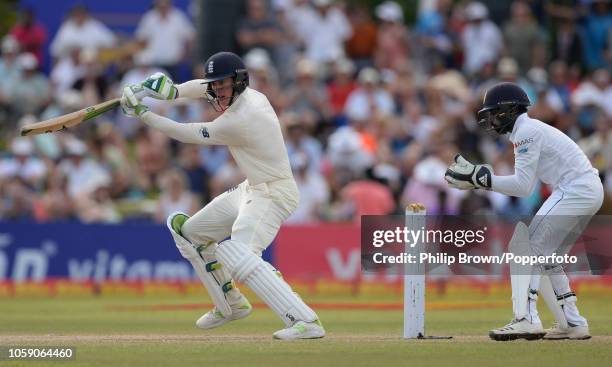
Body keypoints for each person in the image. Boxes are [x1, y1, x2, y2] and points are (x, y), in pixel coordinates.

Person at [119, 51, 325, 340]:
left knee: (239, 254)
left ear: (239, 82)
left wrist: (143, 113)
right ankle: (230, 304)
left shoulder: (242, 118)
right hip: (251, 187)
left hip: (274, 193)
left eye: (223, 85)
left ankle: (306, 322)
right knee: (189, 232)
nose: (217, 91)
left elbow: (186, 133)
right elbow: (199, 86)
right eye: (215, 85)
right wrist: (169, 90)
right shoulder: (240, 92)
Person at [445, 82, 603, 341]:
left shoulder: (525, 131)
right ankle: (573, 323)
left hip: (575, 190)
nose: (492, 119)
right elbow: (524, 185)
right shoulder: (527, 130)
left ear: (509, 110)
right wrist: (479, 178)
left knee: (526, 247)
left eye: (495, 113)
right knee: (546, 258)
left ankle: (526, 319)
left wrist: (479, 178)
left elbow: (522, 186)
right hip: (584, 190)